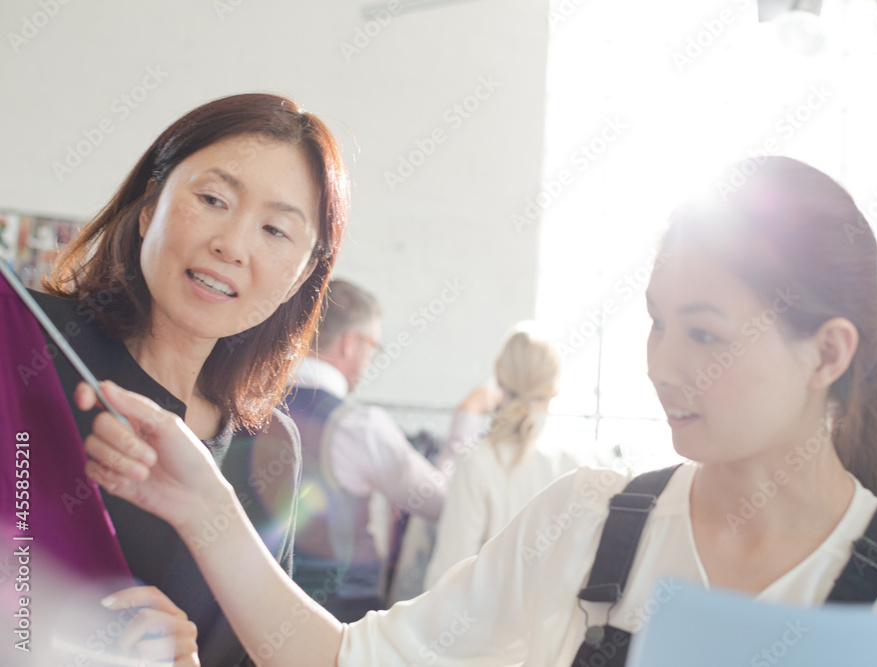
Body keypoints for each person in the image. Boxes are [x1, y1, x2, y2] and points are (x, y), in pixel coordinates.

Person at [79, 156, 877, 667]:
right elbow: (350, 661)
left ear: (827, 353)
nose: (662, 363)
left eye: (706, 333)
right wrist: (206, 505)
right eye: (656, 322)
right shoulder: (594, 523)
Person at [30, 92, 348, 666]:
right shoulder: (25, 342)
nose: (232, 245)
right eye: (212, 199)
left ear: (302, 276)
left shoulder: (271, 447)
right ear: (149, 206)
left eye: (275, 230)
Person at [287, 278, 459, 621]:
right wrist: (459, 439)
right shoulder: (358, 426)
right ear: (350, 343)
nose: (369, 361)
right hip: (339, 618)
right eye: (372, 347)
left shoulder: (244, 405)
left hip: (244, 617)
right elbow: (440, 502)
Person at [424, 321, 585, 588]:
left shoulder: (477, 462)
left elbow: (447, 576)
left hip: (485, 613)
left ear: (499, 381)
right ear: (553, 387)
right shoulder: (579, 461)